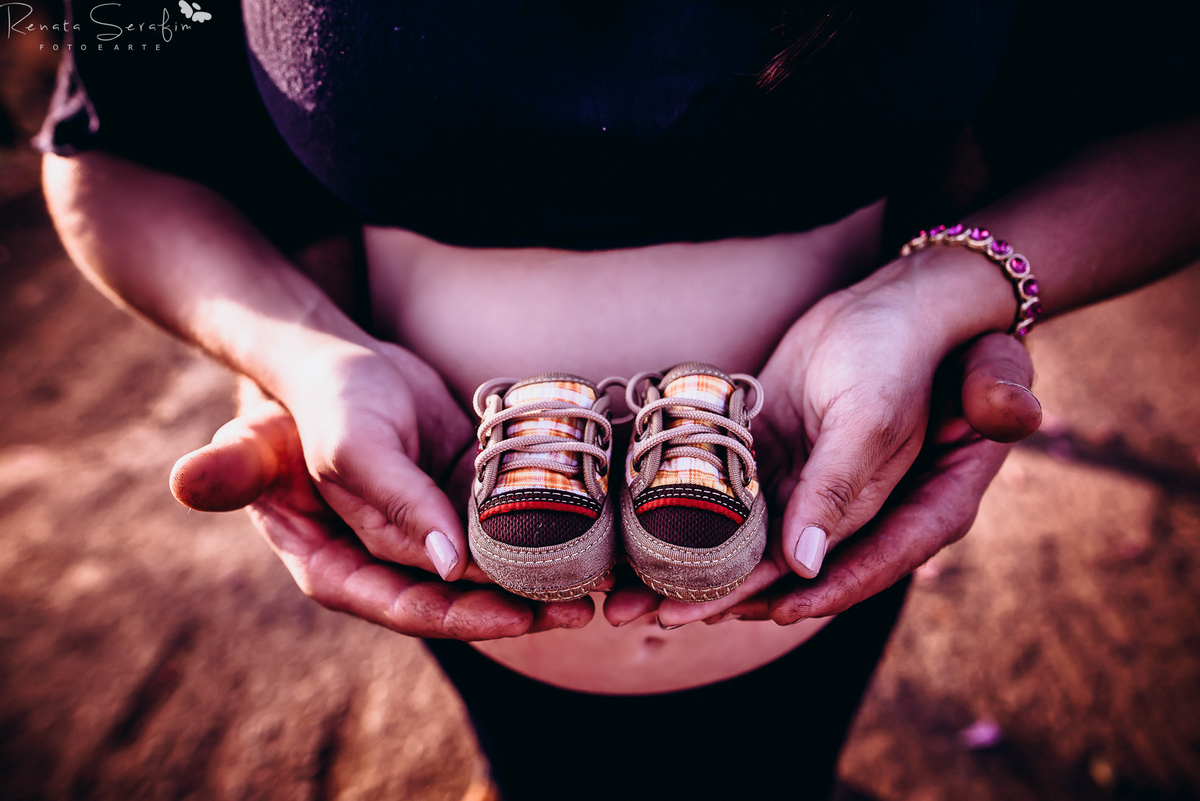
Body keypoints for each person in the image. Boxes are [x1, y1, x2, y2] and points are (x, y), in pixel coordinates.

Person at [35, 0, 1200, 797]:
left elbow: (1166, 108)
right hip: (463, 580)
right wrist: (298, 349)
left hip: (824, 568)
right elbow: (112, 139)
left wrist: (960, 284)